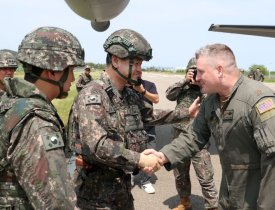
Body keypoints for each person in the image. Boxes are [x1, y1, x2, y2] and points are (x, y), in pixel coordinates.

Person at [145, 43, 275, 209]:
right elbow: (194, 136)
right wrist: (162, 156)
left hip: (257, 199)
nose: (197, 77)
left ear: (219, 70)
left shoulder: (258, 100)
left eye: (201, 72)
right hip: (229, 195)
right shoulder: (211, 101)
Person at [68, 28, 199, 210]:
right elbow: (97, 145)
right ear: (115, 60)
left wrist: (186, 112)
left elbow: (149, 116)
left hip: (122, 189)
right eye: (135, 64)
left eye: (141, 64)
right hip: (95, 196)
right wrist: (138, 159)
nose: (139, 70)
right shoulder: (93, 95)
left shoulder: (128, 94)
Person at [0, 26, 85, 209]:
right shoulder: (37, 122)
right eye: (70, 70)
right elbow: (57, 203)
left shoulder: (12, 100)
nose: (72, 78)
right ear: (52, 71)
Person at [165, 57, 218, 210]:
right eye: (193, 71)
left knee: (205, 175)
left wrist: (203, 83)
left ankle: (212, 206)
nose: (196, 75)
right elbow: (169, 94)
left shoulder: (207, 89)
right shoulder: (183, 86)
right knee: (180, 174)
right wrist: (184, 81)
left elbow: (215, 103)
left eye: (199, 71)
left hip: (198, 138)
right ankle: (185, 202)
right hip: (179, 135)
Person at [131, 76, 159, 194]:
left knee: (151, 155)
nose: (138, 71)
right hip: (132, 129)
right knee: (131, 154)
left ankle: (145, 181)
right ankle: (129, 176)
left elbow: (156, 99)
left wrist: (142, 91)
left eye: (140, 67)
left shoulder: (149, 84)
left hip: (149, 128)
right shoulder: (126, 86)